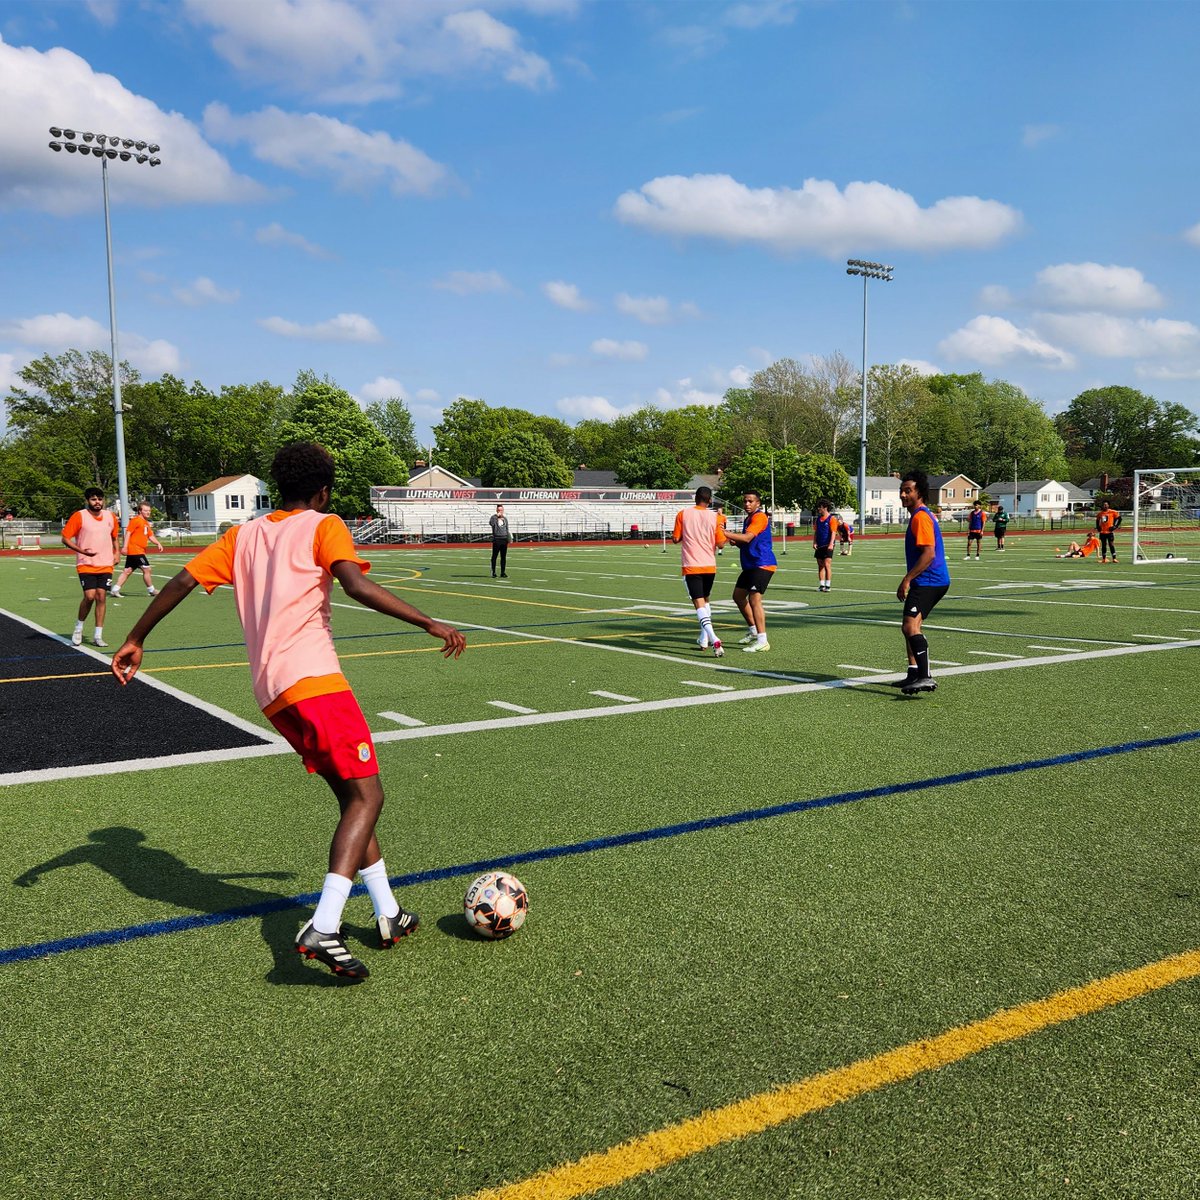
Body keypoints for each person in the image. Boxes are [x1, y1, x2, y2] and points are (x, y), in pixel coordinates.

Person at [111, 442, 467, 981]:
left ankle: (388, 912)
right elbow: (355, 583)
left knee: (352, 795)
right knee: (369, 794)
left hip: (271, 690)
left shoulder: (243, 533)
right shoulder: (324, 525)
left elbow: (183, 580)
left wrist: (136, 637)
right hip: (314, 679)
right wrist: (429, 622)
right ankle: (324, 925)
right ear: (324, 490)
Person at [892, 470, 950, 694]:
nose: (903, 495)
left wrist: (907, 579)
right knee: (910, 627)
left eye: (908, 491)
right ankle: (914, 672)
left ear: (920, 493)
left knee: (910, 626)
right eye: (902, 491)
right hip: (927, 580)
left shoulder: (921, 517)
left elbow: (929, 554)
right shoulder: (918, 515)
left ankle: (925, 676)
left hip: (929, 580)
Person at [671, 485, 727, 657]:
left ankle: (713, 637)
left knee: (698, 604)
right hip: (710, 565)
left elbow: (675, 539)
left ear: (695, 498)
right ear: (709, 500)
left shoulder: (683, 514)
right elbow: (721, 544)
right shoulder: (716, 517)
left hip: (691, 565)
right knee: (705, 600)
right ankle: (704, 639)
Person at [61, 486, 119, 648]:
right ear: (87, 501)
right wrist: (81, 551)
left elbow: (114, 537)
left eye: (100, 499)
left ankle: (98, 635)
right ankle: (78, 627)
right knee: (90, 596)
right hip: (86, 564)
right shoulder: (80, 516)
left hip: (106, 564)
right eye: (94, 499)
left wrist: (117, 553)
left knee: (101, 597)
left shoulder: (110, 516)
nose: (97, 502)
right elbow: (65, 538)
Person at [722, 490, 776, 653]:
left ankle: (763, 640)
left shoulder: (759, 517)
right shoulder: (749, 519)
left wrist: (724, 533)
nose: (747, 504)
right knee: (738, 596)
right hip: (751, 565)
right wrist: (734, 541)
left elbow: (746, 538)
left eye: (751, 501)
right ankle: (753, 630)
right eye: (745, 501)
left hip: (762, 564)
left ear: (758, 503)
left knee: (754, 600)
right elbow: (745, 542)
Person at [111, 501, 163, 598]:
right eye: (145, 510)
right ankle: (151, 590)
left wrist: (158, 543)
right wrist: (125, 547)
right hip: (135, 550)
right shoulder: (135, 520)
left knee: (127, 571)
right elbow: (128, 533)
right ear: (140, 511)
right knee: (147, 569)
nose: (148, 512)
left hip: (138, 551)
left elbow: (150, 536)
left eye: (149, 511)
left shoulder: (145, 523)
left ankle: (115, 589)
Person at [812, 499, 836, 593]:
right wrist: (814, 542)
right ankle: (822, 585)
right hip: (819, 545)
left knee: (827, 564)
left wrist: (831, 544)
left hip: (828, 545)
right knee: (820, 565)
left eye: (820, 507)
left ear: (825, 508)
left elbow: (833, 532)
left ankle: (828, 585)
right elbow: (816, 532)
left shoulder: (832, 519)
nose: (818, 509)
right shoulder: (818, 520)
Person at [489, 503, 512, 577]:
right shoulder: (493, 517)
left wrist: (509, 538)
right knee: (494, 556)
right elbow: (491, 523)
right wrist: (496, 517)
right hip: (497, 539)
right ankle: (493, 572)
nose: (500, 511)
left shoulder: (505, 519)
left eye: (501, 510)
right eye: (499, 510)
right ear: (496, 510)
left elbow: (507, 529)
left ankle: (503, 572)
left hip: (504, 539)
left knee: (503, 557)